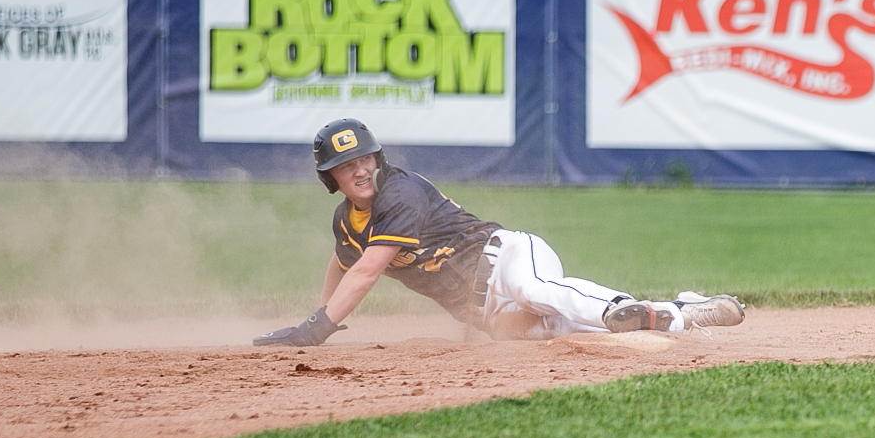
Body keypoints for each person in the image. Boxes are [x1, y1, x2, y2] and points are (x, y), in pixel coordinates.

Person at [254, 119, 745, 346]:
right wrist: (321, 317)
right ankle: (681, 312)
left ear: (377, 160)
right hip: (484, 312)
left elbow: (366, 271)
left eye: (364, 158)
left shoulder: (398, 195)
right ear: (330, 178)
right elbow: (343, 262)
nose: (359, 171)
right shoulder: (347, 220)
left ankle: (620, 307)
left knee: (538, 289)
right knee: (549, 330)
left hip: (505, 256)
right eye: (346, 165)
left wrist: (313, 332)